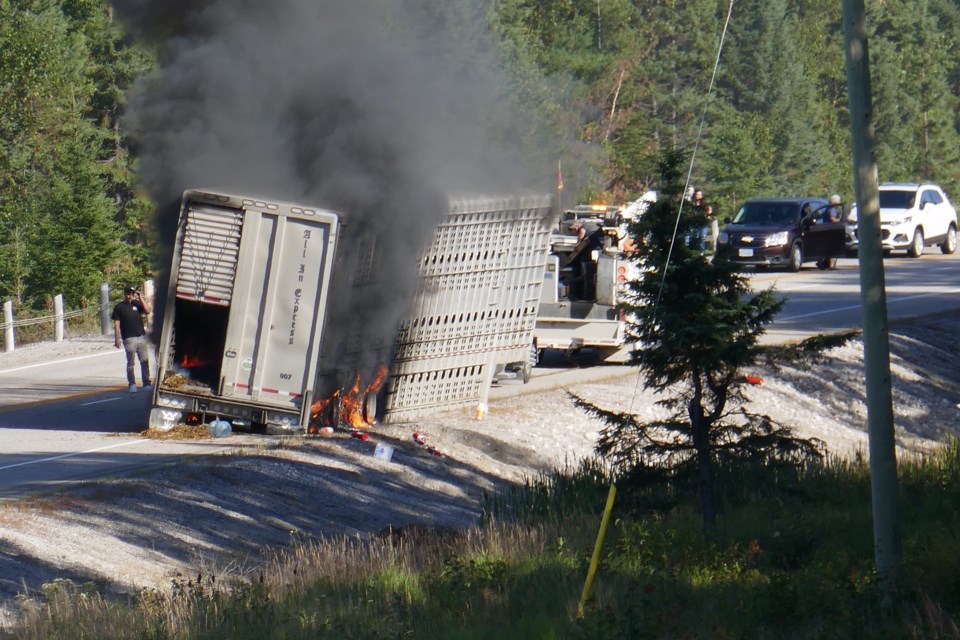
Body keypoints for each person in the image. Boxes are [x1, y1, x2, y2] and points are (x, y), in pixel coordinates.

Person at [112, 285, 153, 393]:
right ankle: (132, 383)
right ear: (125, 293)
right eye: (128, 293)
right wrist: (117, 339)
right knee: (131, 363)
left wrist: (140, 298)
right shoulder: (119, 307)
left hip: (141, 336)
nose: (130, 296)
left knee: (144, 361)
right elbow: (116, 324)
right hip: (129, 338)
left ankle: (146, 382)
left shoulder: (137, 304)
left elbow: (148, 311)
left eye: (132, 293)